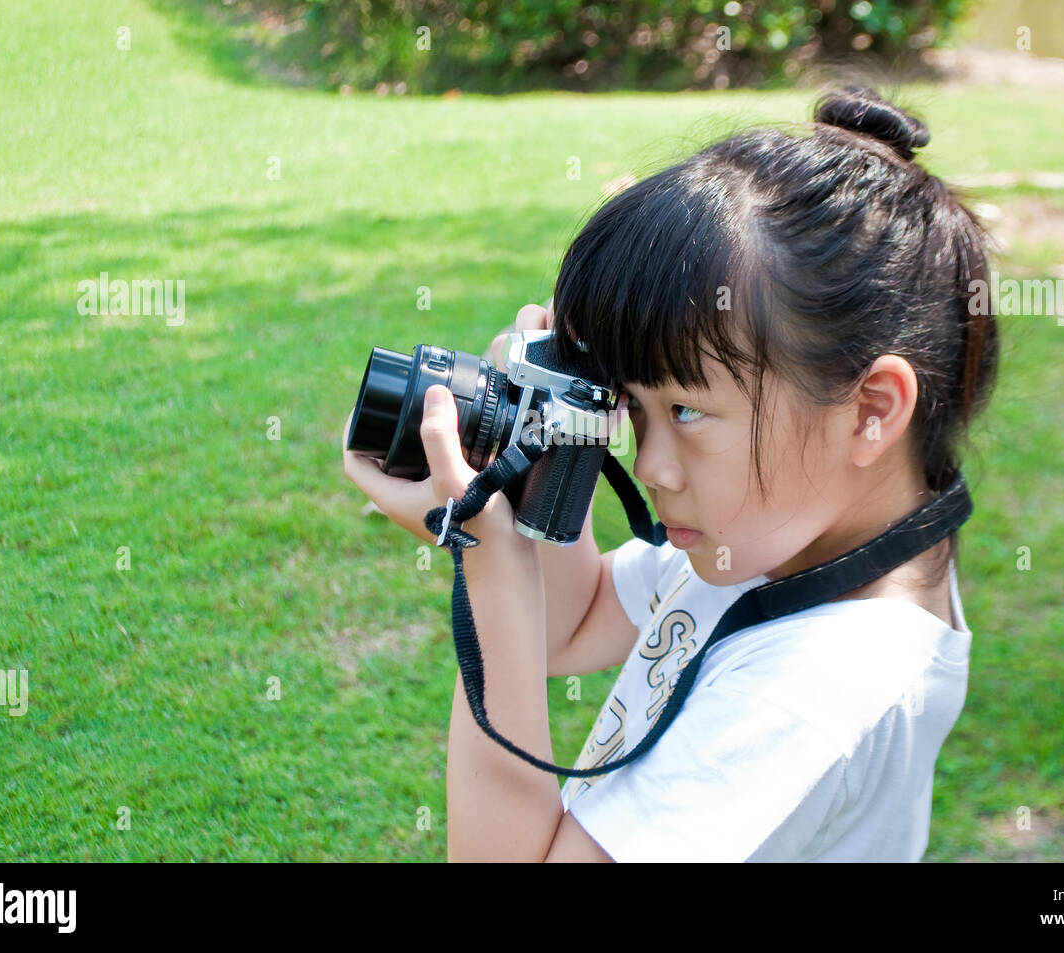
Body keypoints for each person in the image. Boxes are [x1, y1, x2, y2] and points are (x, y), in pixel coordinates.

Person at [344, 85, 998, 862]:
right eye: (630, 406)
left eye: (687, 411)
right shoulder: (794, 535)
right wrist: (554, 439)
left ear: (869, 411)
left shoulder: (814, 691)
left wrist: (487, 561)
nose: (648, 463)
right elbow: (575, 620)